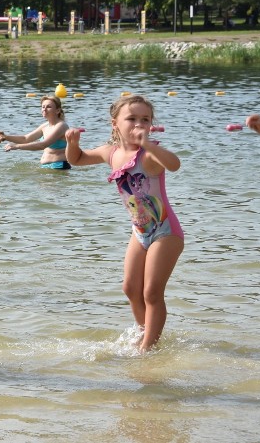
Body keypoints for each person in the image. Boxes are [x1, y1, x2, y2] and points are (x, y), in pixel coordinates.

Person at [65, 94, 183, 353]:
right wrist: (71, 143)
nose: (139, 124)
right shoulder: (111, 153)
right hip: (139, 232)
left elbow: (174, 165)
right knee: (130, 288)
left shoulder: (149, 155)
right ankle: (145, 335)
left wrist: (150, 145)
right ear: (115, 124)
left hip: (165, 232)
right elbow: (77, 159)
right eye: (131, 118)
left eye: (145, 119)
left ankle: (148, 348)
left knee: (151, 292)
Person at [0, 95, 71, 169]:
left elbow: (43, 145)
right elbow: (25, 138)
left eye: (48, 107)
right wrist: (5, 137)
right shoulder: (45, 126)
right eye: (43, 107)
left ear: (57, 110)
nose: (44, 109)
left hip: (59, 166)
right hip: (46, 167)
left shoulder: (62, 126)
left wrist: (17, 146)